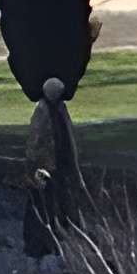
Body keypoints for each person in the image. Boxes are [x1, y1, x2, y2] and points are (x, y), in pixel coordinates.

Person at [21, 74, 83, 260]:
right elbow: (35, 144)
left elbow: (67, 140)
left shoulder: (59, 110)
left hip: (59, 165)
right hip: (44, 168)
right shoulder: (43, 112)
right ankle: (38, 243)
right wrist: (34, 168)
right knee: (40, 202)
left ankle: (58, 237)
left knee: (59, 200)